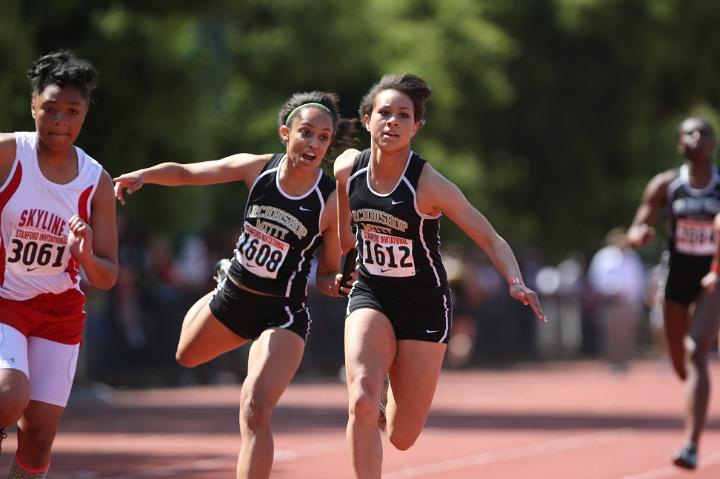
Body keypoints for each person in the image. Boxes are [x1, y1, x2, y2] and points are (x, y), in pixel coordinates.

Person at [113, 91, 355, 479]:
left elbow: (327, 272)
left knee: (255, 409)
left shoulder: (328, 203)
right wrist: (146, 175)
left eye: (323, 138)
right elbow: (190, 172)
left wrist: (337, 282)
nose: (314, 144)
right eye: (306, 133)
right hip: (232, 299)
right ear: (285, 133)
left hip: (282, 315)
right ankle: (223, 281)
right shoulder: (256, 169)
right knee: (185, 356)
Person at [334, 73, 546, 478]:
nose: (392, 122)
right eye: (384, 113)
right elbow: (344, 233)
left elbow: (489, 235)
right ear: (367, 120)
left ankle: (390, 389)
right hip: (371, 294)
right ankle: (373, 393)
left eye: (403, 115)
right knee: (360, 400)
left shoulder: (429, 184)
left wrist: (515, 281)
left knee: (401, 436)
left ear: (416, 127)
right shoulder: (347, 168)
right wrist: (338, 265)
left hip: (424, 308)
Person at [0, 51, 119, 478]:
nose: (60, 120)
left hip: (58, 313)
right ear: (33, 105)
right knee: (8, 395)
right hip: (4, 301)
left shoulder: (95, 181)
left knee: (37, 440)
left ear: (84, 114)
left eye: (73, 111)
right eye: (50, 109)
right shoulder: (9, 154)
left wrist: (85, 255)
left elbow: (107, 275)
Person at [627, 116, 720, 470]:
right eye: (688, 133)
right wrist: (638, 236)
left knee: (697, 352)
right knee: (682, 365)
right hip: (676, 276)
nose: (695, 138)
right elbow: (639, 223)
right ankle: (693, 389)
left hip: (714, 276)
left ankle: (691, 445)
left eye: (703, 132)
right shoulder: (666, 185)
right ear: (679, 143)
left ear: (712, 142)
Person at [587, 227, 646, 371]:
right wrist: (610, 290)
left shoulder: (632, 257)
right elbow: (595, 278)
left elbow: (638, 280)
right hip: (609, 301)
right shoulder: (603, 257)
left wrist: (632, 299)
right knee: (609, 333)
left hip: (627, 303)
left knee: (627, 333)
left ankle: (624, 361)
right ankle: (612, 361)